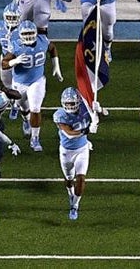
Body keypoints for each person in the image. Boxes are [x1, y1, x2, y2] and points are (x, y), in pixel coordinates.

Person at [1, 20, 62, 153]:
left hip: (37, 81)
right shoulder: (16, 45)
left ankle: (35, 138)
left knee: (35, 108)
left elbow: (52, 48)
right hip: (19, 83)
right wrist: (14, 61)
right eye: (26, 33)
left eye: (30, 33)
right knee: (24, 108)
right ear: (20, 34)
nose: (28, 36)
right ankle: (25, 119)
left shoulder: (43, 40)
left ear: (35, 33)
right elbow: (4, 64)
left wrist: (56, 65)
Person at [54, 87, 93, 220]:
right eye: (68, 103)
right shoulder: (59, 115)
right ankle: (70, 193)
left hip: (82, 149)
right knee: (69, 180)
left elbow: (100, 117)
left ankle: (75, 206)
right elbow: (69, 134)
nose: (70, 106)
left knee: (81, 178)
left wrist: (98, 112)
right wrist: (86, 131)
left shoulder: (85, 109)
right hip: (66, 151)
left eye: (72, 103)